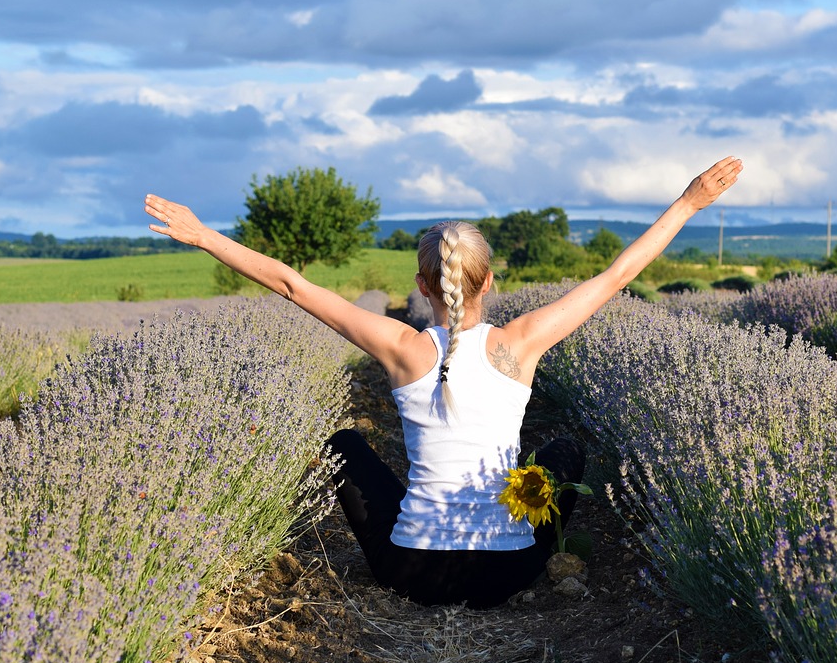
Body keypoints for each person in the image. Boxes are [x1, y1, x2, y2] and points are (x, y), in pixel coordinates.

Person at [145, 155, 743, 608]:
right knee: (562, 452)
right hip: (507, 576)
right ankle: (542, 552)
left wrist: (203, 235)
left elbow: (293, 285)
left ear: (422, 287)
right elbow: (617, 276)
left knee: (346, 446)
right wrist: (690, 201)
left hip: (410, 573)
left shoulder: (400, 346)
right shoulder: (520, 343)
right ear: (487, 283)